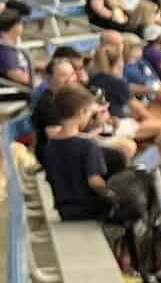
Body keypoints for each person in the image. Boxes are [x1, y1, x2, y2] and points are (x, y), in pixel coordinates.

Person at [35, 86, 113, 220]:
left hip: (64, 211)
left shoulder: (50, 145)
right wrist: (112, 194)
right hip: (89, 209)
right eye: (89, 113)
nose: (90, 117)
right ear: (82, 112)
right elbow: (94, 181)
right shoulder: (88, 145)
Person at [0, 0, 33, 108]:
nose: (23, 26)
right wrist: (38, 82)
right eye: (21, 23)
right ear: (15, 26)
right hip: (9, 90)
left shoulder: (9, 42)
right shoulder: (5, 46)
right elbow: (14, 74)